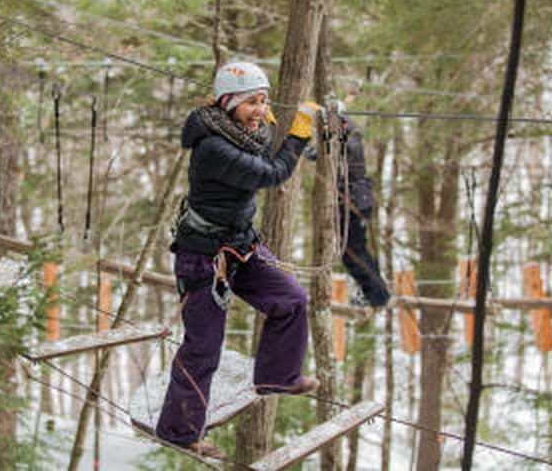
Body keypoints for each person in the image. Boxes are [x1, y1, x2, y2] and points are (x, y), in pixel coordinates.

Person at [155, 61, 321, 458]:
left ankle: (277, 377)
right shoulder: (213, 148)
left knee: (291, 300)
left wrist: (269, 122)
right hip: (203, 258)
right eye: (250, 103)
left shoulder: (241, 132)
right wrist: (296, 136)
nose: (259, 111)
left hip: (241, 248)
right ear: (227, 103)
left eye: (263, 102)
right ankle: (178, 430)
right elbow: (273, 172)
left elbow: (262, 147)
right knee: (203, 347)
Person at [335, 102, 390, 308]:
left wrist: (335, 142)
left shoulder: (350, 134)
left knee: (353, 251)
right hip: (354, 199)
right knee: (353, 251)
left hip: (355, 200)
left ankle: (376, 294)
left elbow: (350, 148)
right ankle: (374, 292)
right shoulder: (345, 134)